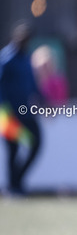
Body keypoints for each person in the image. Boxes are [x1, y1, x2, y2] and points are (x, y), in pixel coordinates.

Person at [0, 22, 42, 196]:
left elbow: (32, 85)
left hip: (25, 112)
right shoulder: (6, 59)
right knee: (13, 149)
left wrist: (43, 100)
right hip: (7, 114)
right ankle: (13, 187)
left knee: (36, 142)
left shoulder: (26, 58)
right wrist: (5, 111)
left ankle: (17, 181)